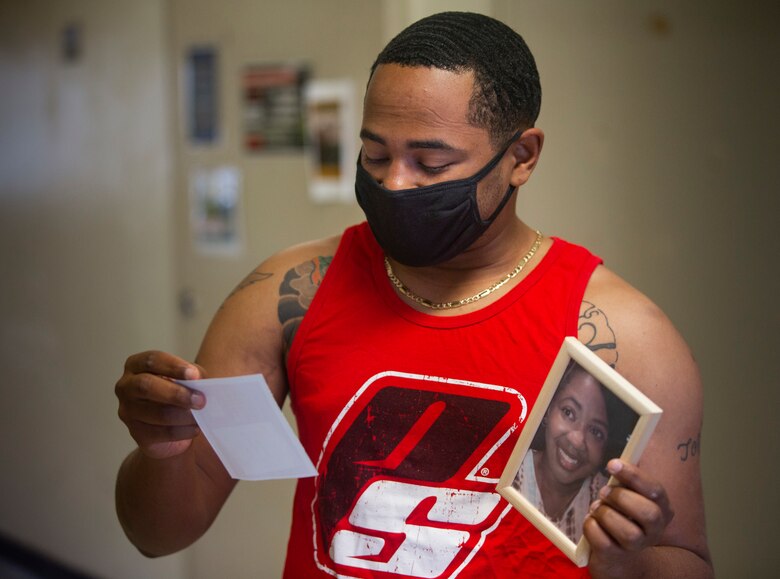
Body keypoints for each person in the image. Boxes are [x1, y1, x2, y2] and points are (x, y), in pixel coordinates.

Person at [114, 11, 713, 579]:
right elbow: (157, 534)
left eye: (429, 163)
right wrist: (163, 449)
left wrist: (630, 563)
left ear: (521, 157)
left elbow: (688, 562)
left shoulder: (626, 334)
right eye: (375, 154)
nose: (394, 184)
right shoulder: (288, 294)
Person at [513, 362, 637, 544]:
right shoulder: (511, 469)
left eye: (596, 431)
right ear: (547, 410)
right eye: (568, 412)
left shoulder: (607, 500)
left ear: (606, 447)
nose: (577, 440)